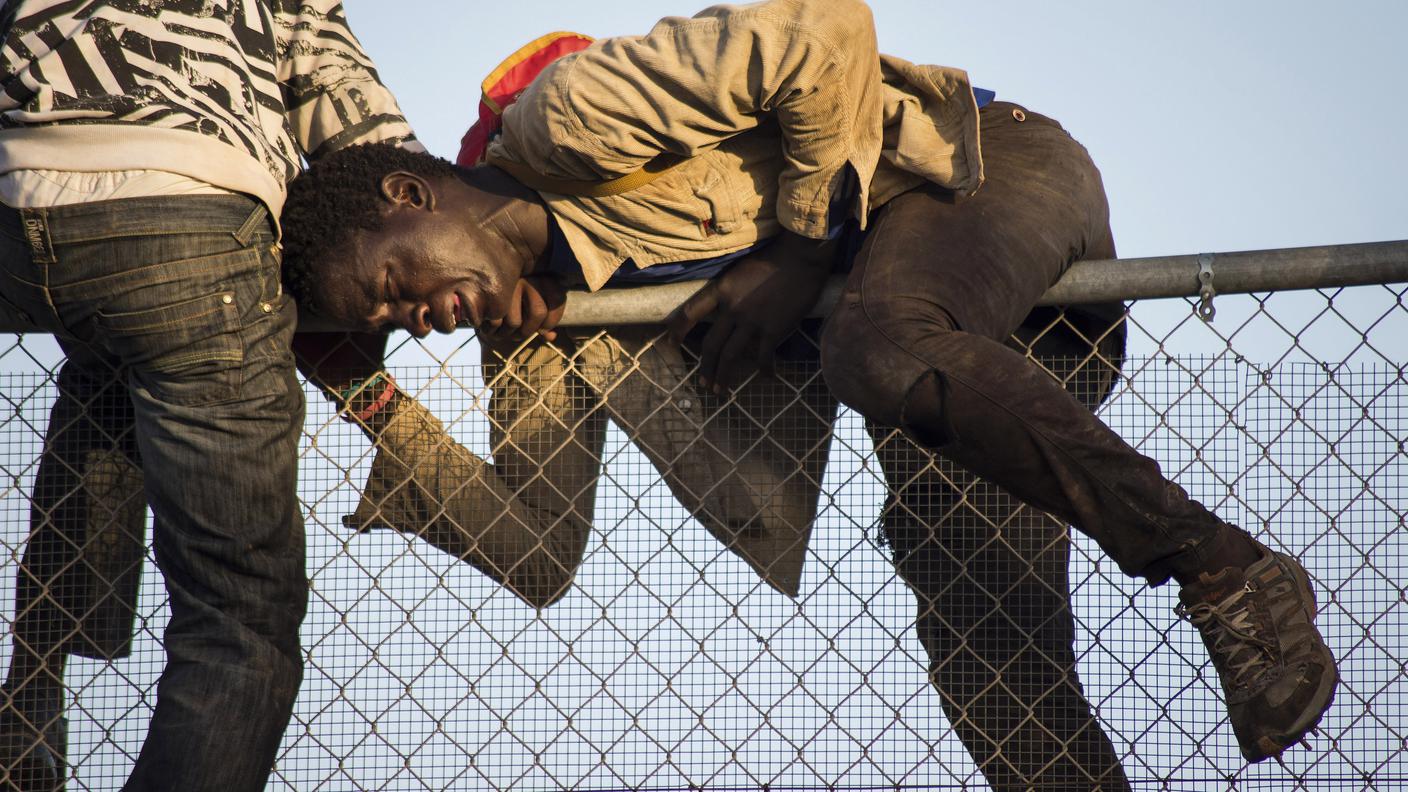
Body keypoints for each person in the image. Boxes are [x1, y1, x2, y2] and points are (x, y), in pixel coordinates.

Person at [280, 0, 1339, 786]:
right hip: (946, 364)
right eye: (385, 327)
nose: (410, 320)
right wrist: (370, 401)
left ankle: (1227, 573)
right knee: (979, 629)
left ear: (408, 194)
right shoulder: (541, 315)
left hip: (973, 170)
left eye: (390, 287)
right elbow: (534, 545)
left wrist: (798, 245)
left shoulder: (568, 120)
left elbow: (821, 28)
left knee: (875, 344)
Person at [0, 2, 419, 790]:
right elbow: (355, 118)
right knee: (240, 620)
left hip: (17, 195)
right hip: (183, 194)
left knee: (114, 359)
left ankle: (30, 701)